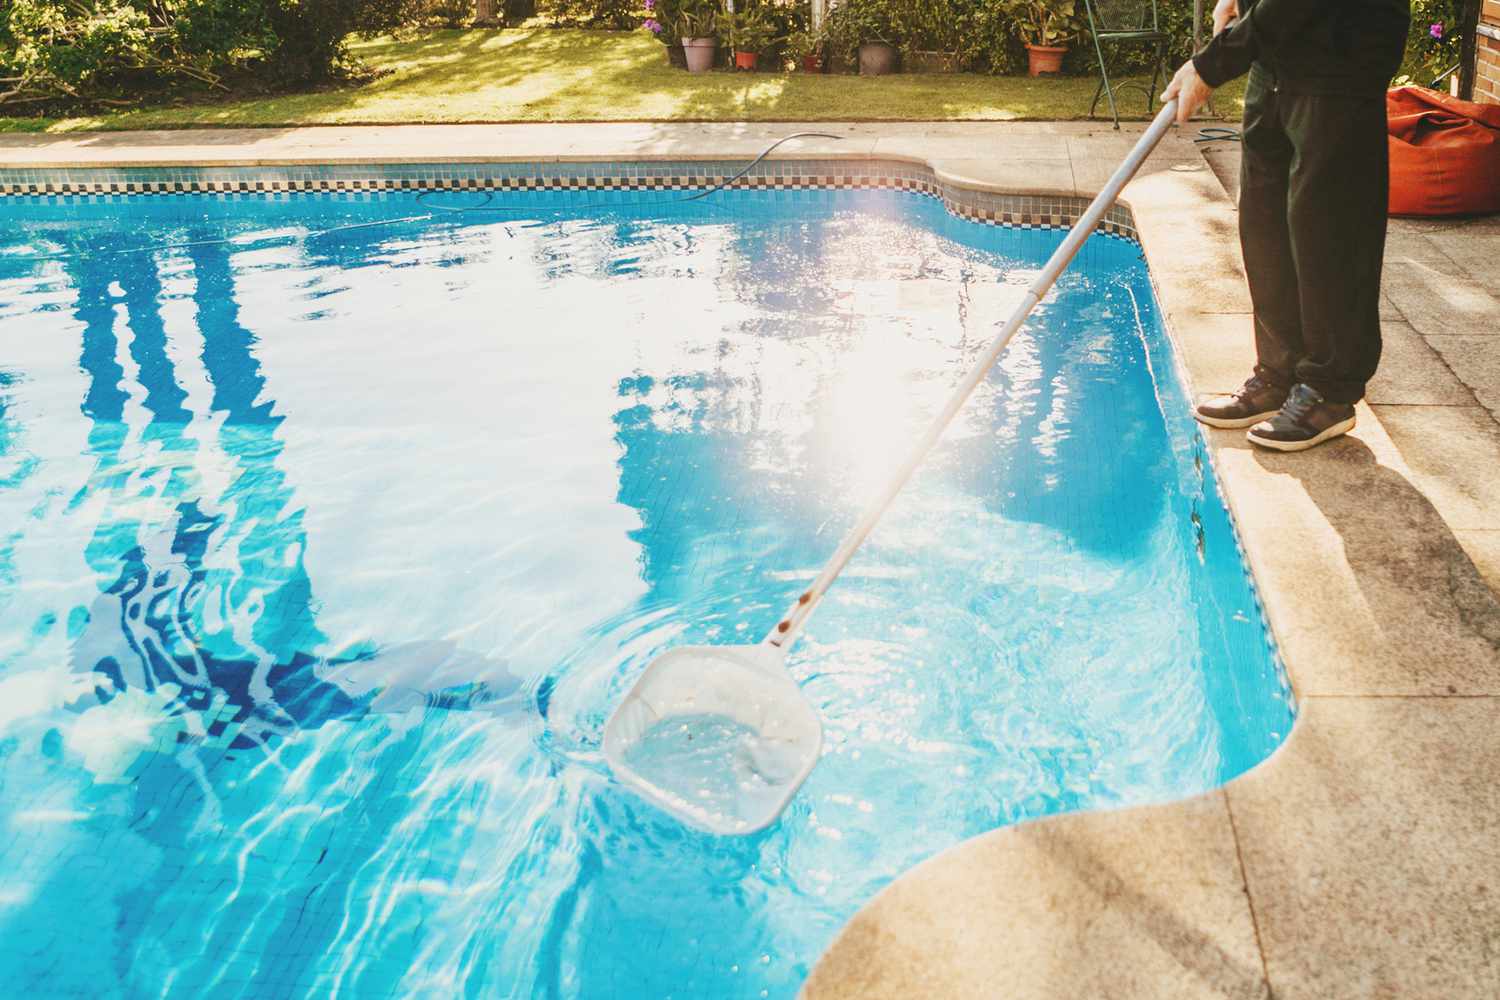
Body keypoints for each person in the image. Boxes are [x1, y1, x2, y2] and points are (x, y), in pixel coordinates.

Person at [1161, 0, 1411, 451]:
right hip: (1277, 60)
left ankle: (1329, 392)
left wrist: (1212, 65)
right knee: (1265, 223)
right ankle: (1278, 373)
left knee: (1328, 231)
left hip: (1340, 59)